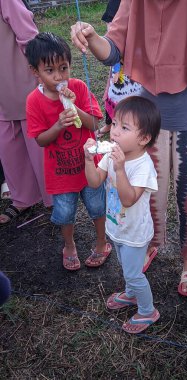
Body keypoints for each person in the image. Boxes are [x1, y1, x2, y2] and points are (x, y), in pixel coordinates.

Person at [71, 0, 187, 296]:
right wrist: (91, 37)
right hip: (147, 124)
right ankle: (151, 243)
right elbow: (112, 49)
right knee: (145, 193)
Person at [25, 32, 110, 271]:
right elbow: (41, 140)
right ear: (36, 72)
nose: (59, 76)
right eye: (49, 71)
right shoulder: (34, 101)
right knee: (64, 213)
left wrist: (75, 109)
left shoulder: (79, 88)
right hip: (60, 173)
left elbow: (95, 125)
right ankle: (70, 245)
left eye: (63, 68)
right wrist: (59, 124)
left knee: (97, 207)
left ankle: (102, 241)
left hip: (89, 167)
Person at [83, 96, 161, 333]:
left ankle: (148, 311)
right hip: (117, 226)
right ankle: (130, 294)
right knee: (125, 264)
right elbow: (95, 181)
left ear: (144, 138)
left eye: (124, 127)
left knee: (134, 273)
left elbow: (129, 198)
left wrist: (119, 169)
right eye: (114, 123)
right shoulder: (111, 155)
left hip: (136, 233)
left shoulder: (143, 166)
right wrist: (88, 160)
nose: (114, 132)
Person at [0, 0, 52, 224]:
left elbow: (28, 35)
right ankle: (22, 198)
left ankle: (54, 197)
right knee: (9, 146)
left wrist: (44, 71)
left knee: (37, 142)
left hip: (22, 81)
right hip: (2, 89)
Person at [98, 0, 142, 139]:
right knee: (112, 92)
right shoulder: (116, 8)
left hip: (135, 67)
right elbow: (113, 40)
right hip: (118, 66)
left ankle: (131, 127)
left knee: (134, 99)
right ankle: (110, 123)